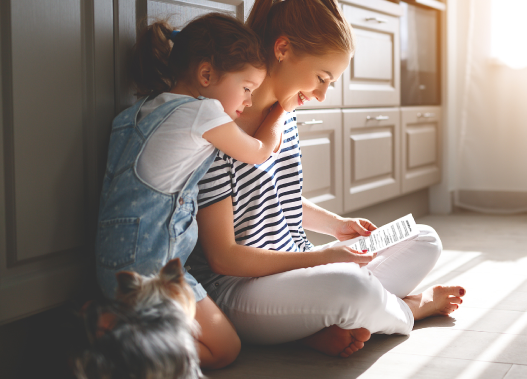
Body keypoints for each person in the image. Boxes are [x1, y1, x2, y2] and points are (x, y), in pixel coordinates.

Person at [186, 0, 466, 358]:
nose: (320, 95)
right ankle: (410, 309)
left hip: (293, 265)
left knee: (423, 238)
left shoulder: (283, 116)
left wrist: (336, 226)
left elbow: (276, 197)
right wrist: (324, 260)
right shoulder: (221, 124)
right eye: (322, 78)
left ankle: (318, 323)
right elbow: (223, 260)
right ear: (283, 48)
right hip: (238, 289)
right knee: (353, 287)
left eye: (330, 83)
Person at [95, 13, 286, 369]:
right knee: (225, 349)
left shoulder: (136, 113)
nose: (248, 101)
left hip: (110, 266)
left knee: (196, 337)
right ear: (206, 76)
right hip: (154, 268)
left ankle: (124, 326)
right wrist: (279, 114)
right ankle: (121, 336)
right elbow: (259, 153)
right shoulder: (204, 113)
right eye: (246, 88)